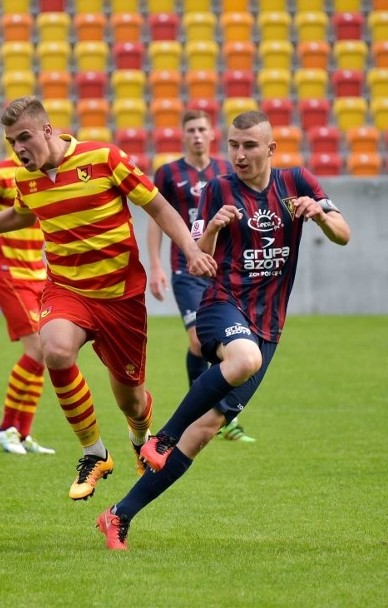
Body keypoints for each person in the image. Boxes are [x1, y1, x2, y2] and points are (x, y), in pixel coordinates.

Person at [0, 96, 217, 499]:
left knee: (131, 401)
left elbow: (159, 207)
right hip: (67, 289)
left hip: (121, 297)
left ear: (47, 130)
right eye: (11, 142)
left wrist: (192, 250)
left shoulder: (106, 158)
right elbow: (23, 213)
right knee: (54, 350)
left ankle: (139, 436)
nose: (19, 148)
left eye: (24, 137)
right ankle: (94, 453)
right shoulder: (25, 179)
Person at [99, 111, 351, 550]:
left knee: (204, 433)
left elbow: (344, 234)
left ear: (270, 149)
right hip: (221, 304)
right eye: (234, 144)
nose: (238, 154)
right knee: (243, 359)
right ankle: (161, 436)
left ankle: (118, 515)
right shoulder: (218, 188)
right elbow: (199, 255)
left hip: (269, 324)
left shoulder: (299, 183)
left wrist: (322, 216)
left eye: (249, 146)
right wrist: (214, 227)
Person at [147, 110, 255, 443]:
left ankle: (220, 414)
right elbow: (155, 219)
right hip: (186, 268)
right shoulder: (168, 173)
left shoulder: (225, 171)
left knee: (232, 347)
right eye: (191, 129)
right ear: (183, 135)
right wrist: (155, 265)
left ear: (212, 134)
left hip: (222, 269)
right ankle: (205, 411)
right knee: (197, 340)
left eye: (202, 129)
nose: (196, 135)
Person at [0, 154, 54, 455]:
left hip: (40, 273)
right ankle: (5, 428)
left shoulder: (48, 174)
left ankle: (23, 432)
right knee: (37, 350)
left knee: (45, 355)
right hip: (8, 273)